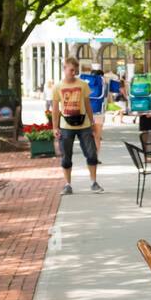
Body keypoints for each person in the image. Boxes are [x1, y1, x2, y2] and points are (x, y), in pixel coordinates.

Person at [55, 56, 103, 195]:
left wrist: (92, 122)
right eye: (71, 70)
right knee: (66, 156)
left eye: (75, 70)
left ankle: (93, 182)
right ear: (64, 68)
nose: (73, 73)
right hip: (66, 126)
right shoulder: (58, 87)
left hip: (84, 125)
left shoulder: (83, 84)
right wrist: (55, 127)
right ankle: (67, 184)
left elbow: (88, 104)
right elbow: (55, 108)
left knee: (91, 154)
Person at [83, 67, 107, 147]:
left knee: (89, 136)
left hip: (86, 113)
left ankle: (89, 155)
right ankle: (95, 157)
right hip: (99, 113)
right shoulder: (103, 83)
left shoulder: (85, 82)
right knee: (97, 137)